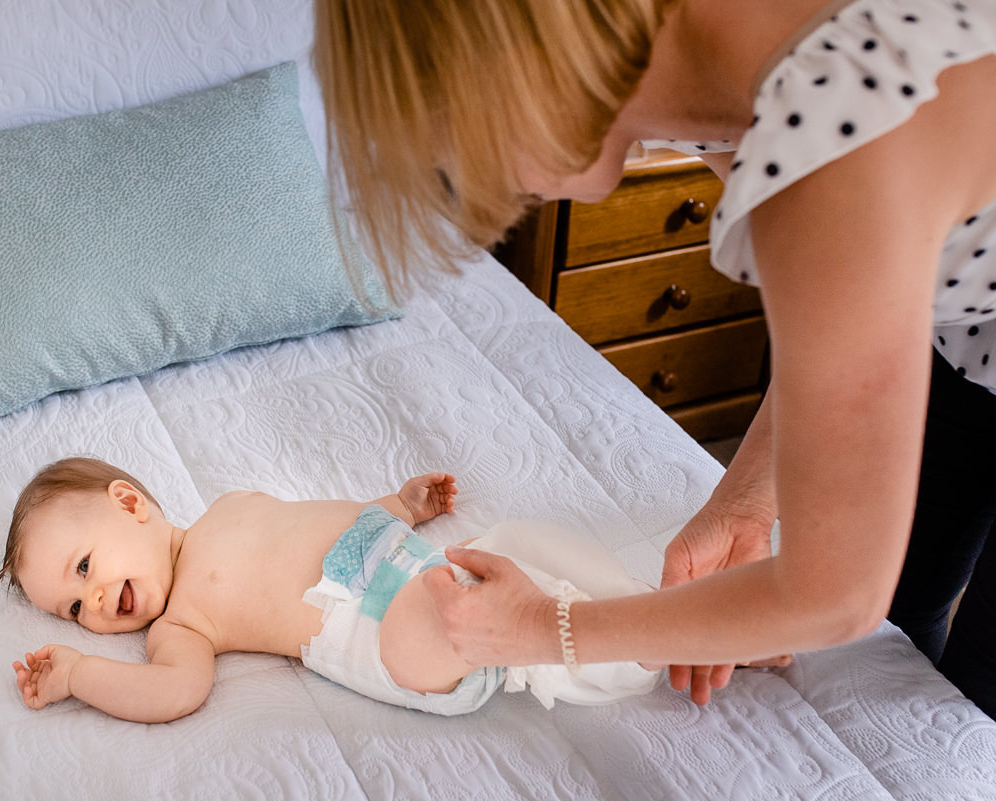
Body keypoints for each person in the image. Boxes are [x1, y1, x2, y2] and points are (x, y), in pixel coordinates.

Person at [312, 0, 996, 718]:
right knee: (906, 637)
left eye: (459, 159)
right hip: (958, 332)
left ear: (518, 70)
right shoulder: (701, 79)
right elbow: (846, 303)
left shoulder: (831, 146)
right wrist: (746, 496)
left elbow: (840, 594)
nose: (505, 198)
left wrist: (542, 629)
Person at [0, 457, 660, 722]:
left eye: (84, 569)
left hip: (409, 555)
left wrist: (399, 504)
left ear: (131, 503)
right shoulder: (180, 625)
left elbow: (328, 523)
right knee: (463, 618)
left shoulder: (231, 504)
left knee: (522, 549)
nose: (94, 602)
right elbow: (173, 692)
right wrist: (80, 674)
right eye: (74, 609)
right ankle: (641, 649)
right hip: (381, 633)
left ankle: (664, 614)